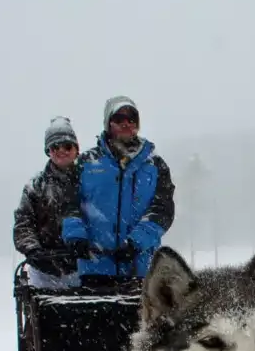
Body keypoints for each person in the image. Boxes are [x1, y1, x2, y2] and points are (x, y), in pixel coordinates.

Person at [61, 96, 175, 283]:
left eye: (131, 119)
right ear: (108, 123)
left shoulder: (155, 165)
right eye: (119, 119)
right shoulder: (85, 164)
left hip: (142, 270)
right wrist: (76, 237)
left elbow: (162, 211)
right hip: (95, 268)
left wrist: (135, 243)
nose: (126, 124)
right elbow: (69, 205)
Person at [12, 116, 85, 289]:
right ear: (48, 151)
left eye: (67, 146)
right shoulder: (35, 186)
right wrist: (34, 251)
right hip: (44, 273)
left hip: (84, 269)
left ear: (76, 149)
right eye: (55, 147)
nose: (62, 151)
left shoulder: (91, 181)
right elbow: (23, 224)